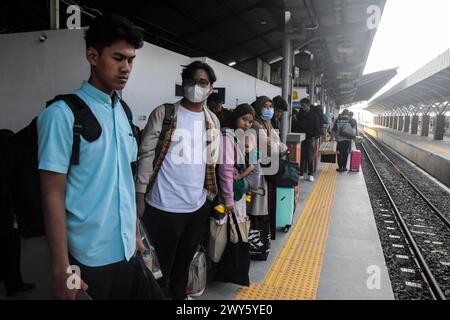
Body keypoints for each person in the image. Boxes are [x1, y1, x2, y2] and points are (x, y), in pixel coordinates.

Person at [37, 14, 144, 300]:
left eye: (131, 60)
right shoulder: (62, 115)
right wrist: (64, 272)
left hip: (125, 251)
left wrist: (134, 234)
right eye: (118, 58)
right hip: (86, 259)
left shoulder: (124, 112)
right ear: (93, 56)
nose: (126, 68)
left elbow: (125, 179)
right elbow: (52, 197)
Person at [136, 60, 221, 300]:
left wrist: (209, 197)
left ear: (211, 88)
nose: (196, 86)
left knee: (184, 262)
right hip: (162, 206)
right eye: (191, 81)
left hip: (196, 206)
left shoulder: (212, 120)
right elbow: (146, 155)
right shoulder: (164, 113)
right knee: (159, 267)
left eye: (202, 82)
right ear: (183, 85)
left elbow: (211, 161)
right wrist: (140, 196)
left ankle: (180, 297)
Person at [0, 129, 35, 297]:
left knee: (12, 251)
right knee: (8, 252)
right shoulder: (6, 163)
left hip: (10, 221)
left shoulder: (9, 164)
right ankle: (13, 284)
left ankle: (14, 284)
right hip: (5, 222)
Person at [249, 96, 287, 244]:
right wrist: (280, 147)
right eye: (265, 106)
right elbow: (271, 148)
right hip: (259, 170)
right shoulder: (257, 126)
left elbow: (278, 143)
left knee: (264, 203)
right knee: (257, 206)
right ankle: (256, 241)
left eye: (271, 106)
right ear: (258, 107)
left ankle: (261, 239)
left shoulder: (267, 124)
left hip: (268, 170)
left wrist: (278, 146)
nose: (269, 110)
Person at [292, 98, 321, 181]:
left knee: (310, 156)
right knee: (302, 156)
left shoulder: (314, 115)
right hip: (302, 137)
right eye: (301, 106)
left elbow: (317, 127)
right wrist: (295, 119)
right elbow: (298, 124)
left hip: (310, 138)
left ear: (308, 105)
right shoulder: (301, 113)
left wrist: (315, 137)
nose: (302, 107)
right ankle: (301, 173)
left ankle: (310, 174)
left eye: (303, 106)